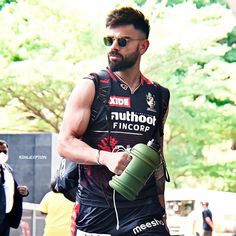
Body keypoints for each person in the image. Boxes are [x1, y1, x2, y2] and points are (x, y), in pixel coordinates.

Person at [57, 6, 170, 236]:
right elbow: (65, 143)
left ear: (143, 46)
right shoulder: (92, 85)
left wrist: (162, 209)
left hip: (144, 210)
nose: (113, 47)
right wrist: (105, 157)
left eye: (122, 41)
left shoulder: (159, 95)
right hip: (96, 210)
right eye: (109, 40)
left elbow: (156, 156)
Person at [0, 139, 29, 236]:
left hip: (6, 217)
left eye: (4, 151)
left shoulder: (7, 169)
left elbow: (10, 188)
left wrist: (24, 192)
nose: (2, 154)